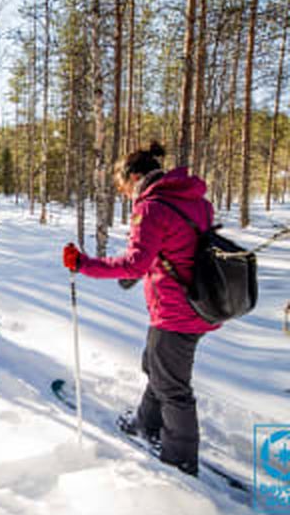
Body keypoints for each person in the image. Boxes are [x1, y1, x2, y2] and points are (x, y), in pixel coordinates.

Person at [62, 141, 220, 477]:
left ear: (135, 177)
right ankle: (146, 424)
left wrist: (84, 264)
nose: (124, 194)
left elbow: (135, 264)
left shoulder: (150, 208)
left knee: (173, 387)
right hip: (198, 304)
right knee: (156, 366)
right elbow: (180, 248)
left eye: (122, 187)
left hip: (176, 310)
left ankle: (180, 459)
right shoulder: (195, 201)